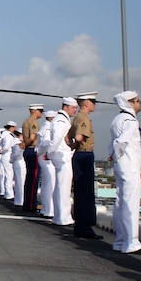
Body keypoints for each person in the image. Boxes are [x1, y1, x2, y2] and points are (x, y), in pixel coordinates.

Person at [109, 90, 141, 255]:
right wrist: (118, 156)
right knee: (130, 204)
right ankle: (131, 242)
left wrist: (114, 157)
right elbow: (121, 142)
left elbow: (113, 144)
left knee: (120, 203)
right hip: (129, 166)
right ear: (130, 103)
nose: (140, 103)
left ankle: (120, 240)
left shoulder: (117, 119)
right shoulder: (130, 121)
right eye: (137, 100)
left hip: (121, 167)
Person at [69, 92, 102, 239]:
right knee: (85, 193)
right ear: (87, 103)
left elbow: (67, 137)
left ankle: (81, 225)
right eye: (94, 102)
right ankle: (84, 227)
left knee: (81, 191)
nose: (95, 105)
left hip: (80, 155)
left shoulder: (77, 118)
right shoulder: (84, 118)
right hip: (85, 155)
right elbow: (78, 137)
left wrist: (72, 145)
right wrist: (76, 145)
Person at [48, 97, 78, 227]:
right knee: (63, 188)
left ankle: (60, 216)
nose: (75, 110)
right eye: (73, 108)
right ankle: (63, 218)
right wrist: (50, 153)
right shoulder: (61, 120)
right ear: (65, 106)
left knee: (61, 186)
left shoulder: (62, 119)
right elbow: (57, 138)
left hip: (61, 155)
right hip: (62, 156)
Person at [20, 104, 44, 212]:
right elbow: (33, 137)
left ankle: (28, 203)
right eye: (40, 110)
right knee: (34, 179)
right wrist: (26, 144)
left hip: (28, 150)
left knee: (30, 178)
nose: (41, 113)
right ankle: (31, 205)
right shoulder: (34, 122)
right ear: (34, 111)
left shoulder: (26, 121)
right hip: (32, 150)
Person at [35, 111, 57, 218]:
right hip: (46, 157)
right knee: (50, 184)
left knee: (46, 183)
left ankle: (45, 208)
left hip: (44, 156)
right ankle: (49, 210)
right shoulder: (48, 129)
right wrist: (45, 153)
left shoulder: (45, 127)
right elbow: (46, 143)